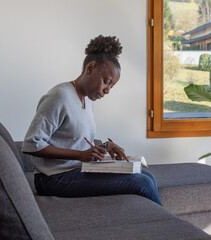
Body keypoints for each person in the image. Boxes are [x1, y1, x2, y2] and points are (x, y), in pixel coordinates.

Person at [22, 35, 162, 205]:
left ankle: (153, 223)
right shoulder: (59, 96)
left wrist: (103, 147)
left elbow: (74, 140)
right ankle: (168, 229)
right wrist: (81, 155)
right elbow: (32, 144)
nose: (107, 91)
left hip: (75, 169)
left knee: (147, 175)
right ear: (90, 68)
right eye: (106, 82)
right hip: (52, 178)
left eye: (112, 86)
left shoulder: (87, 101)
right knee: (142, 182)